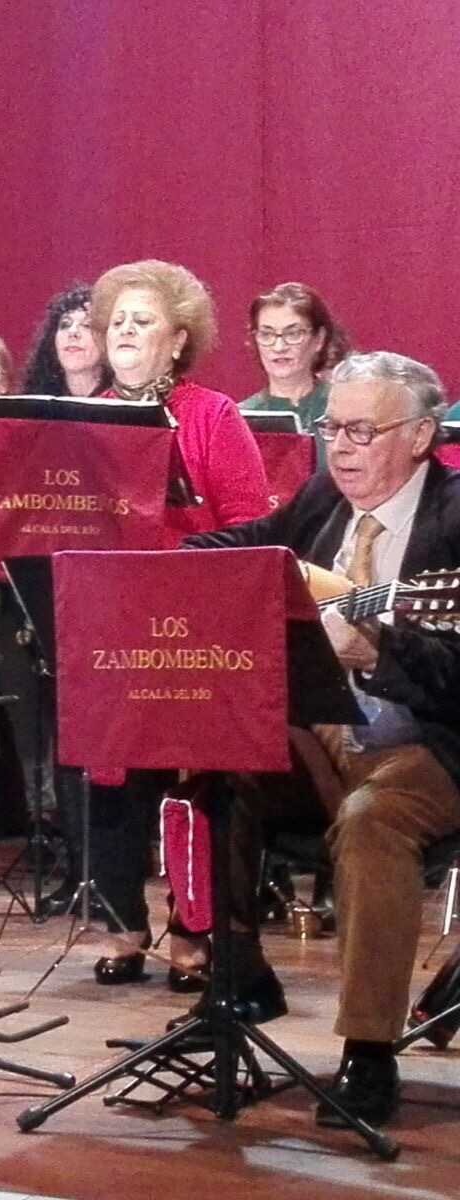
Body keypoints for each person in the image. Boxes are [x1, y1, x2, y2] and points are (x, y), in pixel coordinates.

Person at [186, 350, 460, 1128]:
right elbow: (252, 547)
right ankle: (238, 980)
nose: (339, 446)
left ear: (421, 435)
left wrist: (378, 650)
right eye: (330, 428)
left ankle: (368, 1053)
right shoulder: (318, 501)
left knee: (373, 819)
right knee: (208, 749)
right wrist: (163, 565)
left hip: (427, 747)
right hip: (322, 736)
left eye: (360, 430)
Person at [69, 260, 270, 984]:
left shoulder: (211, 415)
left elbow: (253, 528)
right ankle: (122, 924)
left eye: (143, 320)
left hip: (194, 622)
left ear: (179, 339)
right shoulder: (81, 416)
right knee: (110, 775)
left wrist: (185, 553)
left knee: (191, 781)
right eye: (117, 320)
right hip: (106, 617)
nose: (124, 330)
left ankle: (193, 927)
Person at [240, 282, 350, 468]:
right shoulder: (239, 417)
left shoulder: (346, 407)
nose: (279, 347)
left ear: (319, 339)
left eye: (293, 333)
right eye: (267, 334)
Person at [22, 284, 111, 397]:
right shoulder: (34, 402)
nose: (72, 332)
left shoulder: (121, 402)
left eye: (87, 325)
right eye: (65, 325)